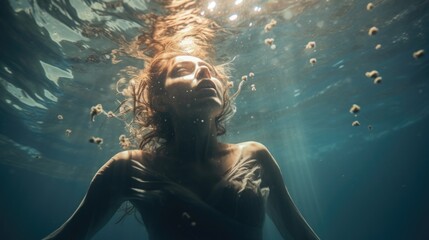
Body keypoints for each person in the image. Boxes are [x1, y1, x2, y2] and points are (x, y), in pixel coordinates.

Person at [43, 51, 319, 240]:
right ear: (160, 100)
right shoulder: (127, 167)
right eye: (185, 70)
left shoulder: (256, 155)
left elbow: (300, 234)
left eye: (209, 71)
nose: (204, 74)